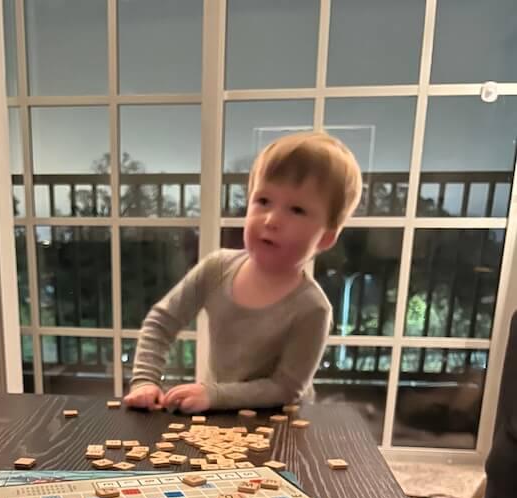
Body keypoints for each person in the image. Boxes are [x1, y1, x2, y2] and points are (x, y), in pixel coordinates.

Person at [123, 130, 362, 413]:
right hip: (215, 415)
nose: (272, 219)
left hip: (281, 424)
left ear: (325, 237)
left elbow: (286, 387)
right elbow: (161, 322)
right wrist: (145, 381)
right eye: (263, 201)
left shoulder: (313, 308)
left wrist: (214, 395)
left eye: (296, 210)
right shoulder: (217, 268)